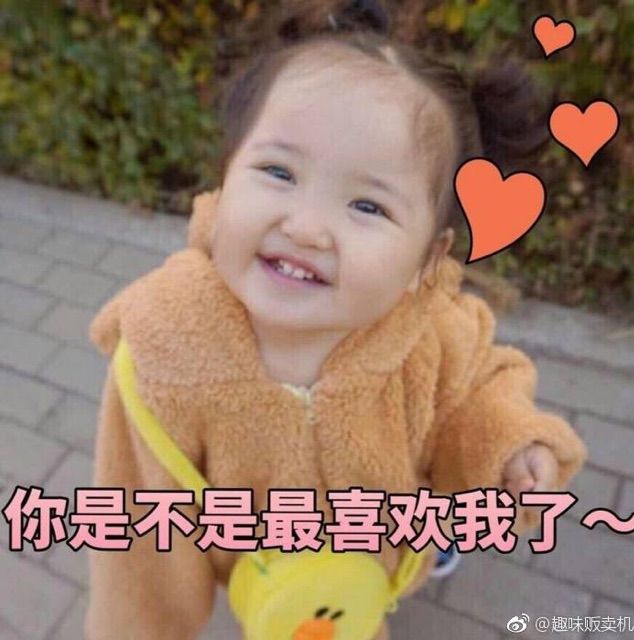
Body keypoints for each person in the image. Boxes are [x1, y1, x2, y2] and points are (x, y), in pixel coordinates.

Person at [84, 1, 588, 638]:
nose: (306, 227)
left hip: (371, 565)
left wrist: (511, 447)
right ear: (226, 176)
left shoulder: (431, 333)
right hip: (267, 580)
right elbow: (140, 534)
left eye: (367, 206)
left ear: (426, 258)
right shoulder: (163, 350)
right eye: (278, 172)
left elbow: (477, 394)